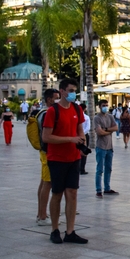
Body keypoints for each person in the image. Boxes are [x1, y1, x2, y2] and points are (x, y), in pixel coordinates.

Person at [41, 78, 88, 244]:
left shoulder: (76, 108)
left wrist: (82, 141)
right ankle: (55, 229)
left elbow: (80, 130)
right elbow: (46, 137)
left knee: (72, 193)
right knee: (57, 194)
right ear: (61, 91)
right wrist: (70, 139)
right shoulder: (53, 111)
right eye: (70, 90)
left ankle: (70, 231)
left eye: (75, 90)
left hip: (73, 158)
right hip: (57, 159)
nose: (73, 93)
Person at [36, 89, 60, 225]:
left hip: (43, 151)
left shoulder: (41, 112)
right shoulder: (47, 114)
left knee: (43, 182)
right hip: (47, 152)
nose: (58, 100)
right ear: (49, 99)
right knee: (48, 183)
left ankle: (40, 213)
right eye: (56, 98)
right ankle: (43, 216)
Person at [94, 99, 120, 197]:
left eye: (106, 105)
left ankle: (107, 188)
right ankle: (98, 189)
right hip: (101, 146)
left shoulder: (110, 116)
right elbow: (99, 132)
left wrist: (105, 129)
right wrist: (109, 131)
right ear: (99, 106)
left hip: (109, 147)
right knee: (100, 169)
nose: (105, 107)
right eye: (103, 105)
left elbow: (116, 128)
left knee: (108, 168)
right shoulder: (97, 118)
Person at [79, 103, 91, 175]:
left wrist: (80, 133)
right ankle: (82, 169)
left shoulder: (85, 117)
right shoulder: (86, 117)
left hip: (80, 135)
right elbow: (88, 128)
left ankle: (80, 168)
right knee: (84, 152)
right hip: (84, 135)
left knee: (82, 152)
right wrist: (82, 133)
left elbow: (88, 128)